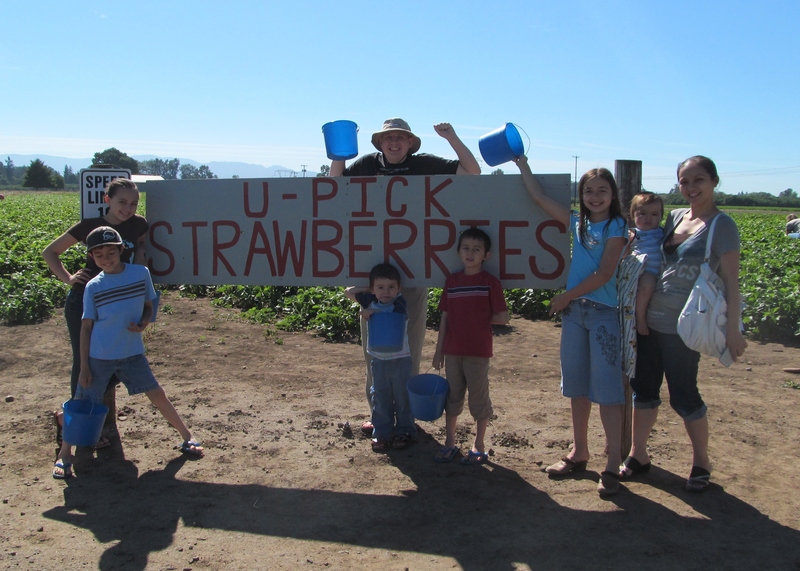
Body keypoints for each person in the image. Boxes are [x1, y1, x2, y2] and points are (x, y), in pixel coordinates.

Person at [331, 118, 481, 435]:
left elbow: (472, 172)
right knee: (374, 351)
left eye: (401, 137)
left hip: (412, 279)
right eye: (389, 138)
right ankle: (379, 414)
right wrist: (339, 151)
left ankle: (406, 417)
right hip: (372, 280)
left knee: (408, 350)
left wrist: (451, 136)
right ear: (379, 143)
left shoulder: (424, 163)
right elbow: (334, 185)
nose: (394, 142)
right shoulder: (366, 164)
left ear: (410, 142)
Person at [620, 156, 747, 493]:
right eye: (684, 181)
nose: (691, 188)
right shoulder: (674, 217)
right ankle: (638, 454)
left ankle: (702, 462)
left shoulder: (722, 226)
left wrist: (733, 330)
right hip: (649, 322)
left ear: (714, 182)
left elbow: (732, 282)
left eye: (699, 180)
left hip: (685, 328)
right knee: (643, 391)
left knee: (684, 396)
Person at [515, 155, 627, 496]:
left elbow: (605, 274)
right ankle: (580, 452)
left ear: (612, 195)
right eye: (589, 191)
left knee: (607, 390)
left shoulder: (617, 227)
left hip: (604, 313)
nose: (595, 196)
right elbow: (539, 199)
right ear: (582, 195)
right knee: (576, 387)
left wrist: (566, 296)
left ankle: (613, 462)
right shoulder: (577, 221)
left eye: (602, 191)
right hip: (575, 316)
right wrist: (523, 165)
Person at [52, 227, 202, 479]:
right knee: (82, 403)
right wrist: (85, 367)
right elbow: (86, 327)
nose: (106, 258)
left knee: (157, 393)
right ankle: (65, 455)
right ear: (92, 257)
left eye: (111, 252)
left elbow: (147, 306)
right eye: (99, 254)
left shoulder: (139, 274)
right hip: (99, 356)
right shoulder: (93, 286)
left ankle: (188, 437)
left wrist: (143, 323)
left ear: (122, 250)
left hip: (132, 353)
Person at [43, 178, 149, 450]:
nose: (128, 208)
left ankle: (79, 420)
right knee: (85, 364)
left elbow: (140, 252)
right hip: (85, 300)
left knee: (113, 364)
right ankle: (75, 427)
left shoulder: (139, 224)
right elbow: (50, 252)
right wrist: (68, 279)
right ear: (107, 200)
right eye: (121, 202)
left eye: (133, 203)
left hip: (118, 303)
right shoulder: (89, 226)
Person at [431, 227, 509, 464]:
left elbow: (503, 317)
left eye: (477, 249)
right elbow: (444, 318)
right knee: (453, 397)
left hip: (478, 351)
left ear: (486, 255)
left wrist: (477, 320)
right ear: (458, 252)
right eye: (466, 248)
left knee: (478, 398)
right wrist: (438, 351)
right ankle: (450, 442)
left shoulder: (490, 283)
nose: (470, 254)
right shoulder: (452, 281)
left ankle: (479, 444)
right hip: (452, 351)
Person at [345, 263, 415, 452]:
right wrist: (367, 291)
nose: (386, 292)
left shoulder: (399, 302)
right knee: (380, 396)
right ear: (373, 289)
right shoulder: (370, 300)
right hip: (378, 359)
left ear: (398, 289)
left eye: (391, 287)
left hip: (401, 358)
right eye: (380, 287)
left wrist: (372, 312)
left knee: (402, 396)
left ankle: (405, 430)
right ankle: (382, 433)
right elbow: (348, 292)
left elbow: (392, 314)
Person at [629, 192, 665, 335]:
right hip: (644, 272)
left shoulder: (662, 232)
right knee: (647, 286)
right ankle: (640, 318)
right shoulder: (633, 234)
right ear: (633, 215)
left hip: (660, 272)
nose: (648, 218)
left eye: (654, 214)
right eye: (642, 213)